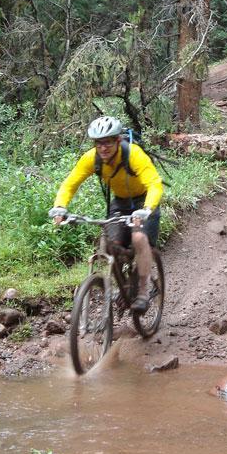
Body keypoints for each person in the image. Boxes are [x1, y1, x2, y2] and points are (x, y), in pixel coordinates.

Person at [49, 116, 163, 313]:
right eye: (99, 143)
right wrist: (60, 207)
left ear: (118, 140)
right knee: (111, 244)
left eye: (108, 142)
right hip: (120, 201)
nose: (103, 148)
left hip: (143, 201)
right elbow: (70, 184)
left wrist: (146, 209)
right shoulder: (91, 158)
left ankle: (143, 291)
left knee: (138, 238)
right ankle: (124, 283)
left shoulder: (133, 154)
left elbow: (154, 184)